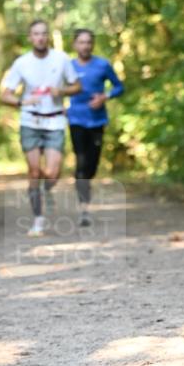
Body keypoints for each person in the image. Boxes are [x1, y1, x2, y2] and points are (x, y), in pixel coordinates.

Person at [0, 19, 81, 237]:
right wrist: (20, 102)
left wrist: (61, 91)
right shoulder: (21, 63)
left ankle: (46, 191)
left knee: (53, 173)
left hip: (55, 121)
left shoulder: (62, 59)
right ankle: (37, 220)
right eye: (36, 34)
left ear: (48, 36)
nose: (41, 37)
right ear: (30, 37)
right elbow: (4, 94)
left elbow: (77, 86)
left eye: (44, 33)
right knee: (34, 171)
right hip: (30, 121)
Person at [68, 28, 124, 226]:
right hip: (75, 120)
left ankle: (85, 184)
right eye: (81, 42)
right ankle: (84, 208)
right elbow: (56, 89)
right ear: (75, 45)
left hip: (97, 121)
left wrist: (104, 97)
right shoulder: (67, 66)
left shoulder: (102, 65)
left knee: (92, 165)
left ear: (92, 44)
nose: (85, 46)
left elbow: (119, 87)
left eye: (88, 42)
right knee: (81, 163)